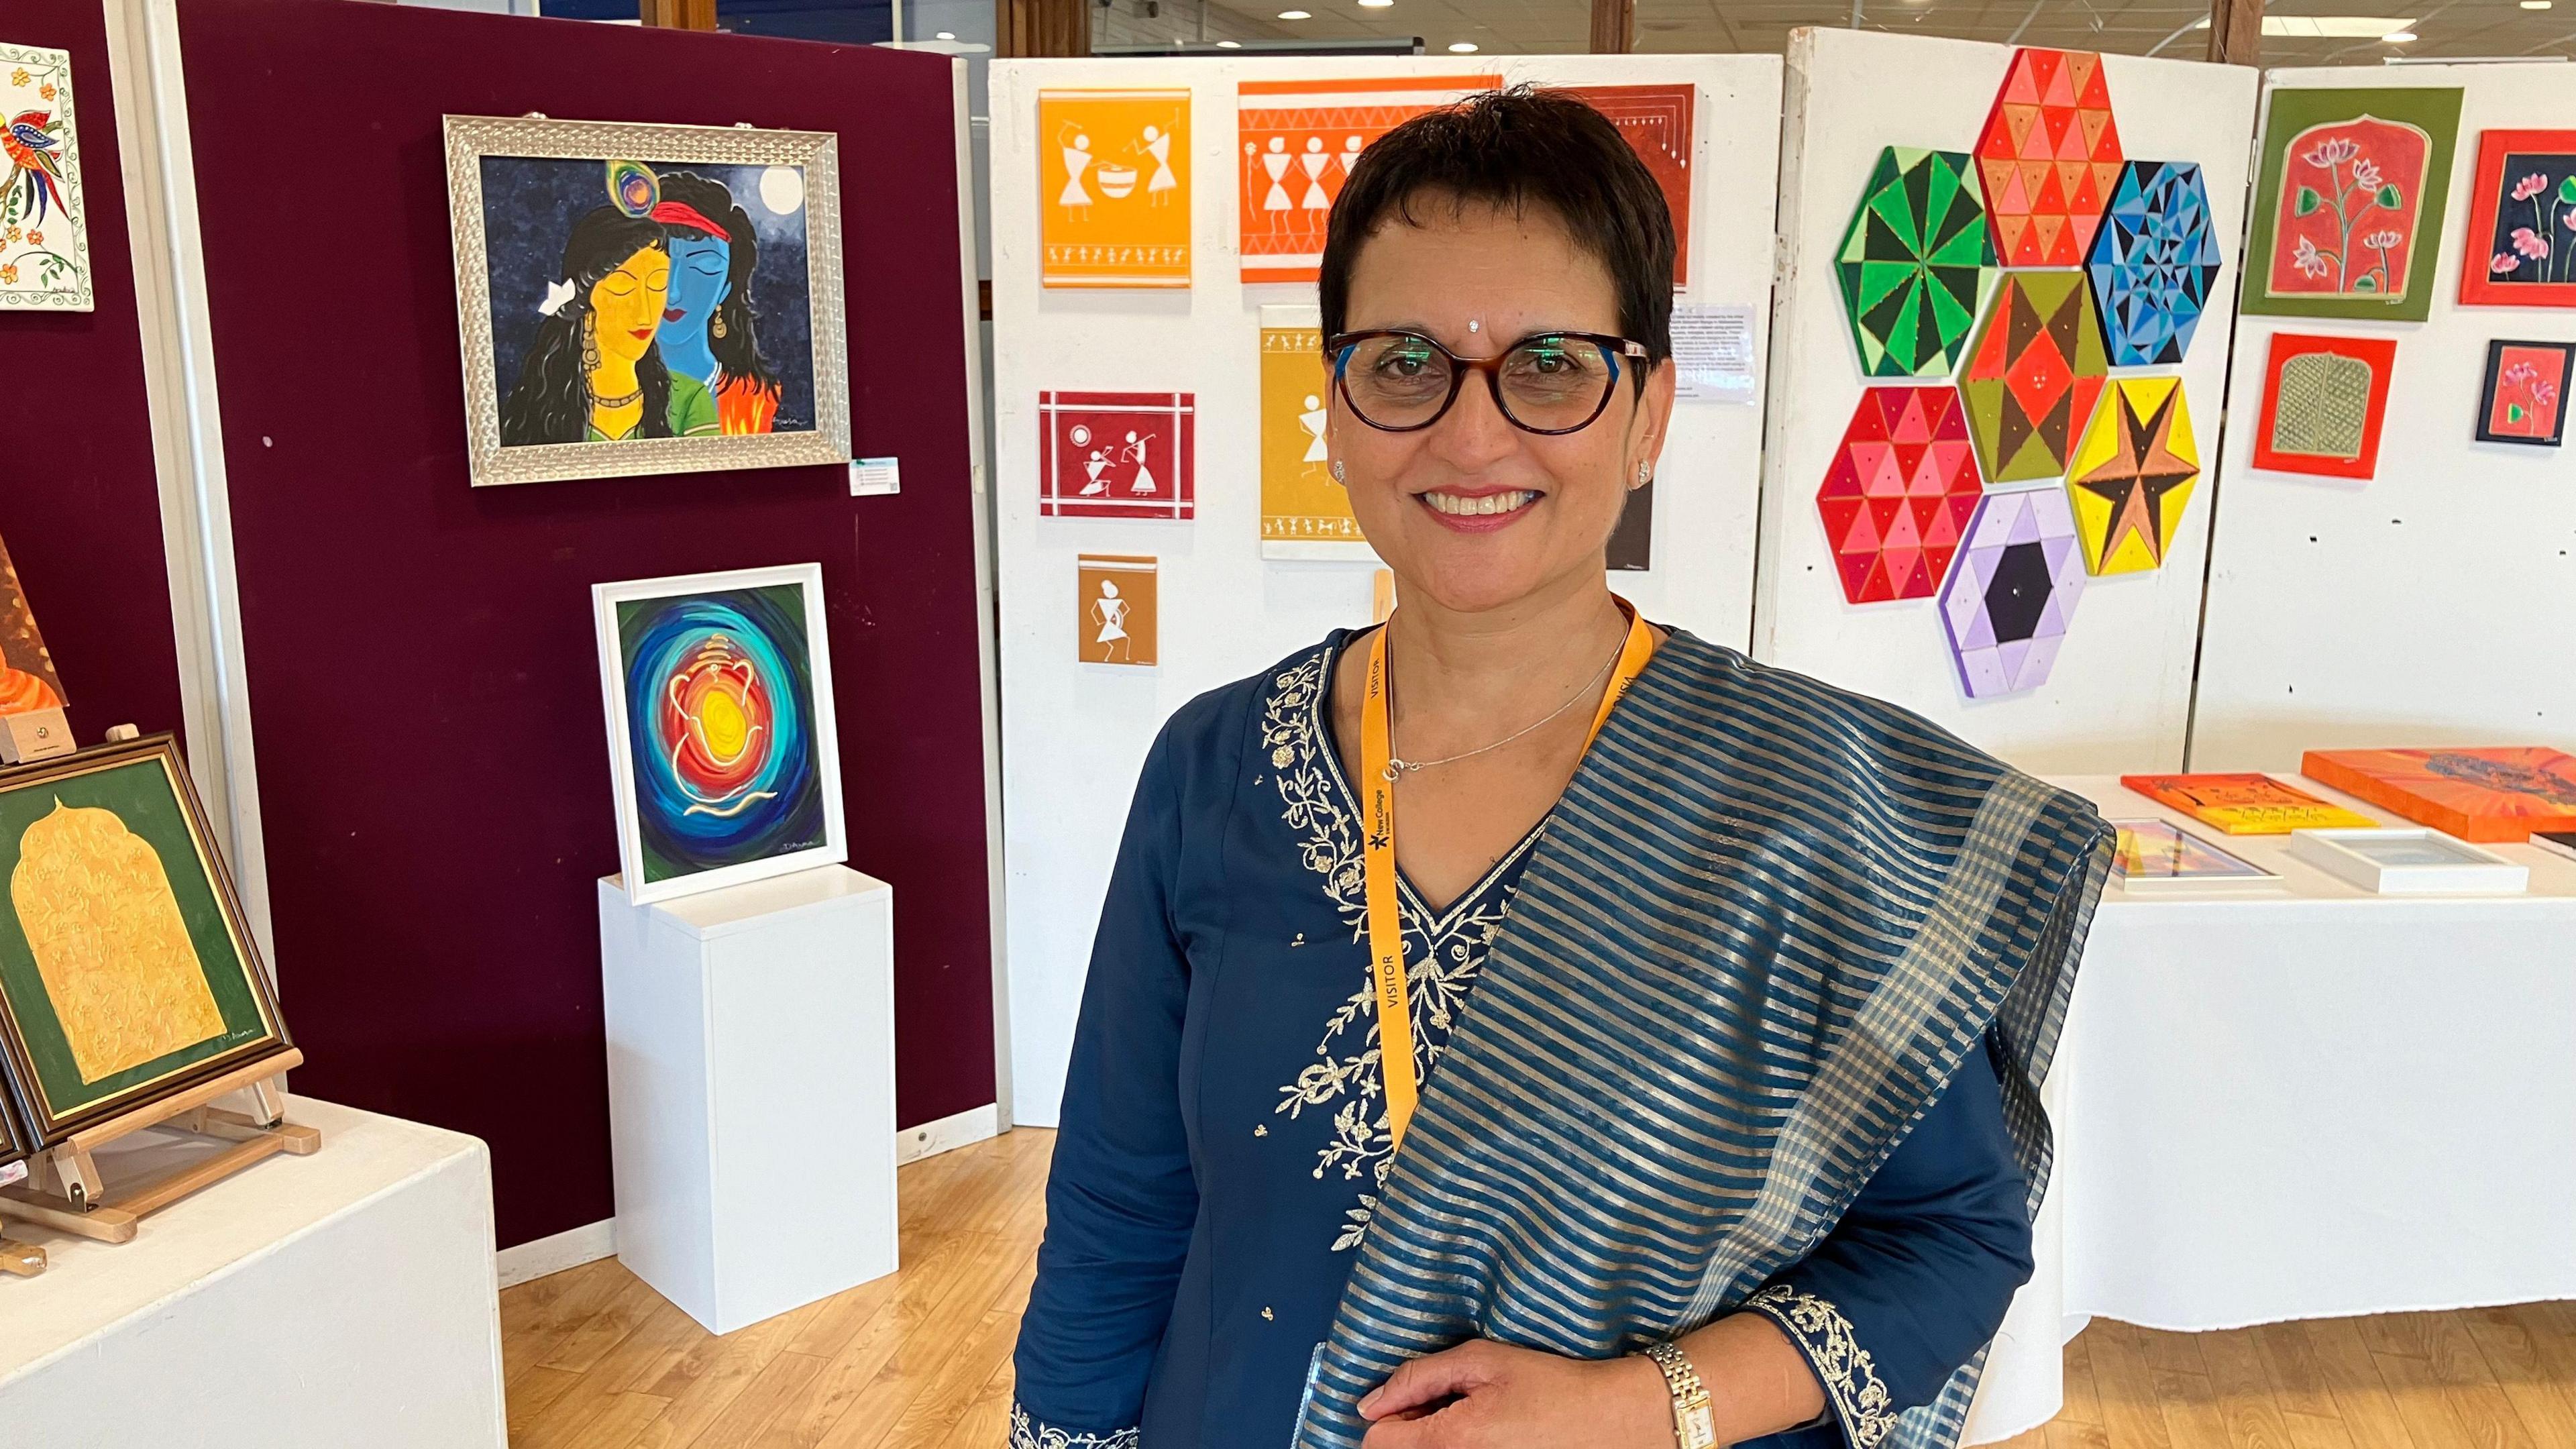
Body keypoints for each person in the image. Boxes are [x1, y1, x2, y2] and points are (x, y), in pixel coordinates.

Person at [1010, 89, 2112, 1449]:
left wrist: (1636, 1405)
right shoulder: (1215, 766)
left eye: (1552, 364)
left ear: (1646, 411)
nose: (1473, 437)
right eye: (1406, 361)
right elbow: (1121, 1213)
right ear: (1338, 410)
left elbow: (1950, 1242)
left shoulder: (1811, 808)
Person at [498, 168, 719, 445]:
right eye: (623, 287)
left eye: (657, 285)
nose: (646, 312)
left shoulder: (688, 399)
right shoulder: (539, 400)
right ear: (585, 297)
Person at [653, 172, 784, 436]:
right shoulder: (601, 397)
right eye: (659, 265)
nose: (674, 292)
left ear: (727, 286)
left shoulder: (757, 400)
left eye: (702, 265)